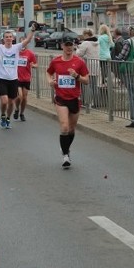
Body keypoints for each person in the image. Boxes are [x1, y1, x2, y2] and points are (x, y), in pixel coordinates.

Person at [47, 34, 90, 168]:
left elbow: (87, 80)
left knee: (71, 129)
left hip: (74, 98)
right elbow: (48, 73)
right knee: (64, 126)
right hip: (61, 98)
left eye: (71, 45)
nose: (69, 48)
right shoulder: (56, 61)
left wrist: (76, 76)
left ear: (73, 46)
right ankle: (65, 156)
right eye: (66, 45)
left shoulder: (79, 62)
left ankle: (66, 147)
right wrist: (50, 81)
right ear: (62, 46)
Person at [0, 20, 35, 129]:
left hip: (13, 79)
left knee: (11, 102)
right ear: (3, 39)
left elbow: (28, 39)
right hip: (2, 78)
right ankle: (2, 114)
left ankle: (8, 118)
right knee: (5, 101)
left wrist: (32, 30)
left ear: (13, 38)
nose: (8, 38)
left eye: (10, 36)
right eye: (6, 37)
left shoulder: (16, 47)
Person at [76, 28, 100, 105]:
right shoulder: (97, 42)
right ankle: (95, 102)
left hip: (87, 66)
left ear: (86, 35)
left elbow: (79, 54)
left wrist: (77, 48)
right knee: (94, 85)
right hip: (96, 65)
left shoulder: (86, 43)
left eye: (84, 35)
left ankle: (85, 102)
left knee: (85, 85)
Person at [13, 43, 37, 121]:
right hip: (17, 78)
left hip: (26, 79)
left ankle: (22, 113)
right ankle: (16, 109)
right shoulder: (15, 52)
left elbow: (36, 64)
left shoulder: (30, 53)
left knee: (24, 98)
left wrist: (33, 65)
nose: (23, 46)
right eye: (21, 44)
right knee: (20, 96)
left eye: (24, 44)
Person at [97, 24, 114, 88]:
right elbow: (112, 45)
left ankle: (104, 83)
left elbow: (97, 45)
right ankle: (108, 82)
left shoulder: (100, 38)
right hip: (108, 56)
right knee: (107, 70)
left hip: (101, 56)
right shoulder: (109, 37)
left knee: (103, 70)